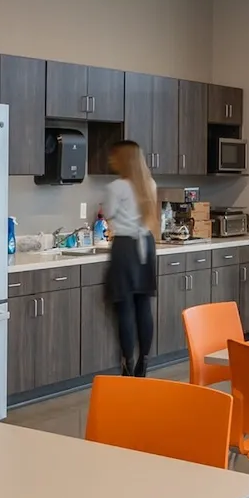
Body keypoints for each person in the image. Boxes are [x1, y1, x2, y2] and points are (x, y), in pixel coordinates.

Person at [104, 141, 159, 376]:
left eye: (114, 156)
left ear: (123, 160)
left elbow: (107, 213)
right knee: (143, 305)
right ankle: (144, 362)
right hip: (146, 244)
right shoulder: (150, 184)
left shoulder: (116, 187)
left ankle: (127, 362)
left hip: (125, 246)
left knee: (125, 307)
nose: (110, 160)